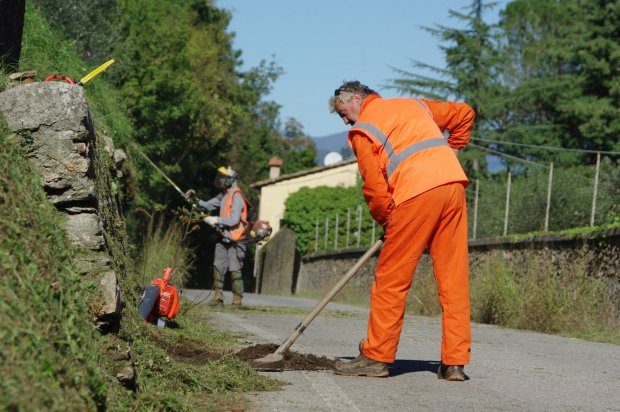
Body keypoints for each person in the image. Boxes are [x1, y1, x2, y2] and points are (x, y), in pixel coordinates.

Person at [328, 81, 475, 380]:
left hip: (416, 194)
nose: (345, 121)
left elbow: (374, 189)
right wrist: (453, 151)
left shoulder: (363, 130)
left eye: (343, 113)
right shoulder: (413, 104)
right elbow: (464, 113)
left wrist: (388, 221)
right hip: (453, 187)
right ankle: (454, 363)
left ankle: (376, 357)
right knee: (453, 278)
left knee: (391, 280)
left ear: (356, 98)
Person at [187, 166, 249, 307]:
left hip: (236, 239)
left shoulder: (237, 197)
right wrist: (194, 198)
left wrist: (215, 220)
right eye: (220, 177)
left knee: (235, 269)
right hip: (223, 236)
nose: (220, 180)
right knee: (218, 266)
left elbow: (234, 220)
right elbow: (207, 206)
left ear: (231, 180)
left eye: (223, 177)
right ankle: (217, 298)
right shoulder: (224, 196)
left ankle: (237, 300)